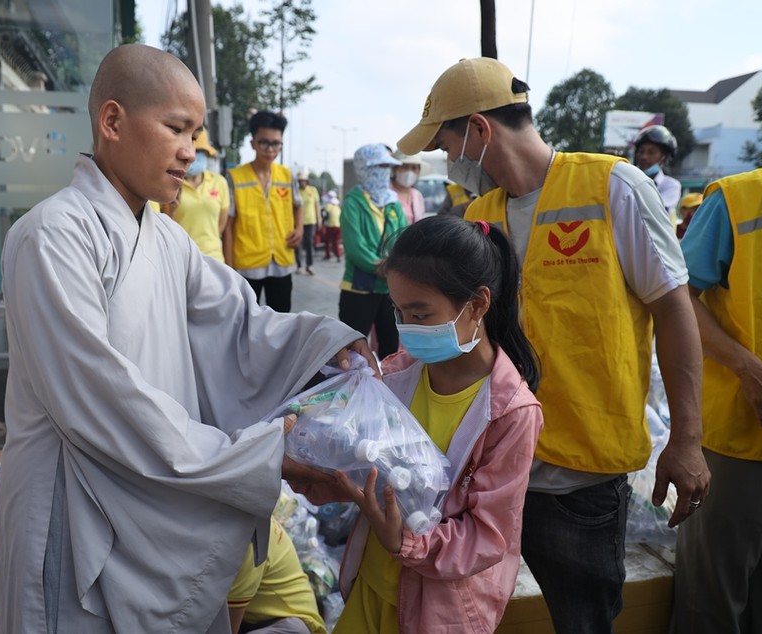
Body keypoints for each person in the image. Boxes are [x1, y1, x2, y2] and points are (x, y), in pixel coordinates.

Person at [0, 44, 377, 633]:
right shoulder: (52, 236)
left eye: (195, 134)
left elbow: (241, 324)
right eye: (176, 128)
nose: (190, 152)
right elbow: (98, 396)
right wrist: (260, 454)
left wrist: (328, 353)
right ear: (113, 121)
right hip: (74, 508)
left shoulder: (167, 240)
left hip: (151, 490)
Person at [398, 57, 710, 632]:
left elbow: (674, 309)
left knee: (583, 621)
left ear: (478, 129)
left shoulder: (612, 187)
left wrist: (687, 439)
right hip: (491, 472)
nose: (446, 159)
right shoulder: (480, 214)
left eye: (446, 143)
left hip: (580, 483)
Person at [297, 215, 544, 633]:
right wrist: (306, 450)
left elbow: (488, 535)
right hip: (373, 587)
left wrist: (407, 541)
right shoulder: (394, 377)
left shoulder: (510, 413)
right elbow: (356, 466)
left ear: (478, 304)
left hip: (439, 611)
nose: (406, 328)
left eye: (420, 313)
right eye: (398, 311)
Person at [672, 164, 762, 633]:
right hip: (738, 436)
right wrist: (747, 367)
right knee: (712, 601)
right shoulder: (737, 200)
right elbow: (678, 297)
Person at [224, 111, 303, 312]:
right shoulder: (235, 177)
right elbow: (228, 227)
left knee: (283, 322)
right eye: (264, 143)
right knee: (244, 322)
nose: (270, 149)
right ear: (252, 143)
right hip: (247, 264)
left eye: (276, 143)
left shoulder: (286, 175)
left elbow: (298, 204)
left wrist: (300, 228)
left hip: (281, 261)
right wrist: (230, 269)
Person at [339, 144, 409, 360]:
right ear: (364, 169)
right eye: (378, 166)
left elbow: (402, 237)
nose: (384, 172)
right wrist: (381, 266)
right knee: (353, 347)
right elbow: (355, 245)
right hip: (359, 289)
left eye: (386, 166)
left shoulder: (393, 203)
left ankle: (387, 390)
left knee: (390, 346)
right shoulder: (353, 203)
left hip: (389, 290)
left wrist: (394, 264)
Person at [228, 517, 327, 634]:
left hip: (292, 626)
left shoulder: (249, 543)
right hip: (258, 620)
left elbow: (227, 626)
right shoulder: (255, 521)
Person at [160, 129, 229, 261]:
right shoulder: (168, 183)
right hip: (180, 260)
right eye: (188, 151)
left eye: (198, 152)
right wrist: (172, 209)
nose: (192, 156)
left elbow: (221, 226)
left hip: (214, 259)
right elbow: (162, 227)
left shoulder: (219, 183)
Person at [632, 124, 682, 215]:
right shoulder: (627, 181)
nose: (644, 157)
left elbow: (655, 211)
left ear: (664, 157)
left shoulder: (671, 185)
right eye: (641, 151)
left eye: (651, 152)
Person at [295, 169, 321, 275]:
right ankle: (299, 266)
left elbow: (317, 206)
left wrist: (319, 219)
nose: (302, 182)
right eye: (300, 180)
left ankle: (309, 265)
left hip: (311, 221)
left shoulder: (313, 190)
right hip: (298, 221)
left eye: (304, 180)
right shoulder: (296, 191)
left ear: (307, 181)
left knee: (309, 243)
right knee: (298, 244)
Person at [390, 151, 425, 224]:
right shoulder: (386, 193)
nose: (409, 172)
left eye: (414, 168)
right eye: (404, 167)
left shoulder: (417, 195)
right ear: (394, 169)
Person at [322, 190, 343, 262]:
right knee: (336, 242)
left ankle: (328, 255)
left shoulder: (328, 206)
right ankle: (338, 255)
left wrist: (323, 222)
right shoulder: (337, 207)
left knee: (327, 241)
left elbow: (325, 215)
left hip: (330, 226)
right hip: (338, 226)